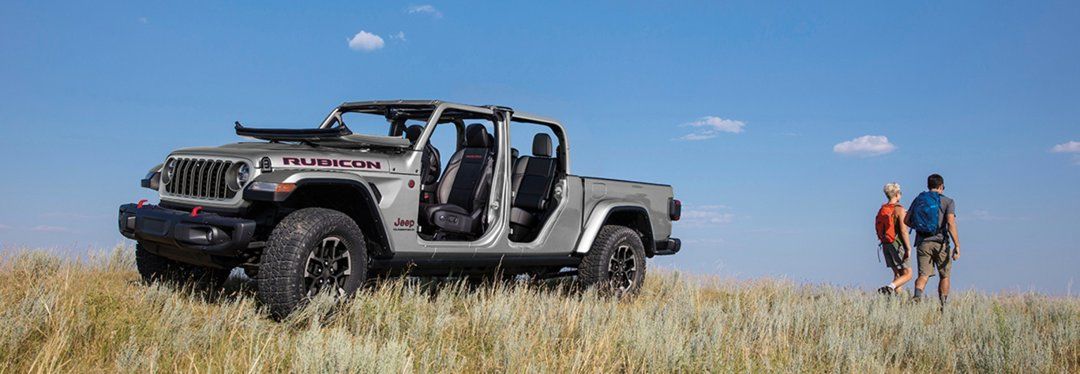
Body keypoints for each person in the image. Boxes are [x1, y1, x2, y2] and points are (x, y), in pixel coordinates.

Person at [906, 174, 962, 309]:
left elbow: (906, 220)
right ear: (941, 186)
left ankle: (917, 298)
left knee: (923, 275)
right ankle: (943, 306)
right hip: (941, 243)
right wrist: (957, 245)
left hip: (923, 242)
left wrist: (920, 228)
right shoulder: (948, 201)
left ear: (928, 186)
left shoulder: (919, 200)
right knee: (944, 275)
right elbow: (950, 223)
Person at [875, 183, 912, 295]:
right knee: (908, 274)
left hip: (885, 244)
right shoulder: (899, 210)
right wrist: (908, 248)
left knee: (898, 275)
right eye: (900, 193)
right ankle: (889, 288)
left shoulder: (883, 209)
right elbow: (903, 231)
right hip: (897, 244)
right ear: (896, 194)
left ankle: (898, 303)